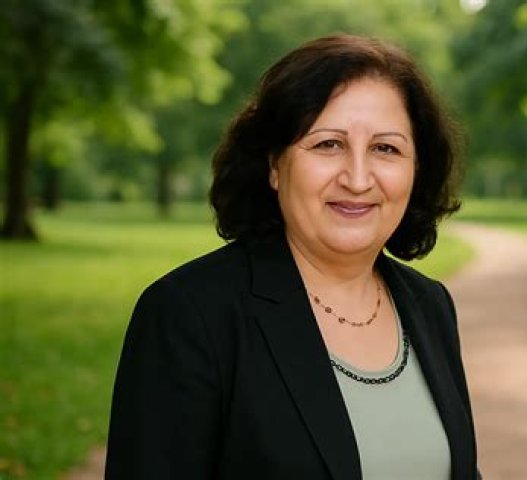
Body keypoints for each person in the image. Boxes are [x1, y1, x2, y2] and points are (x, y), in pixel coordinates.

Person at [106, 33, 481, 479]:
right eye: (328, 144)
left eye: (386, 148)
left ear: (416, 169)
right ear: (274, 165)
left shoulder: (430, 305)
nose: (358, 179)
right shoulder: (189, 314)